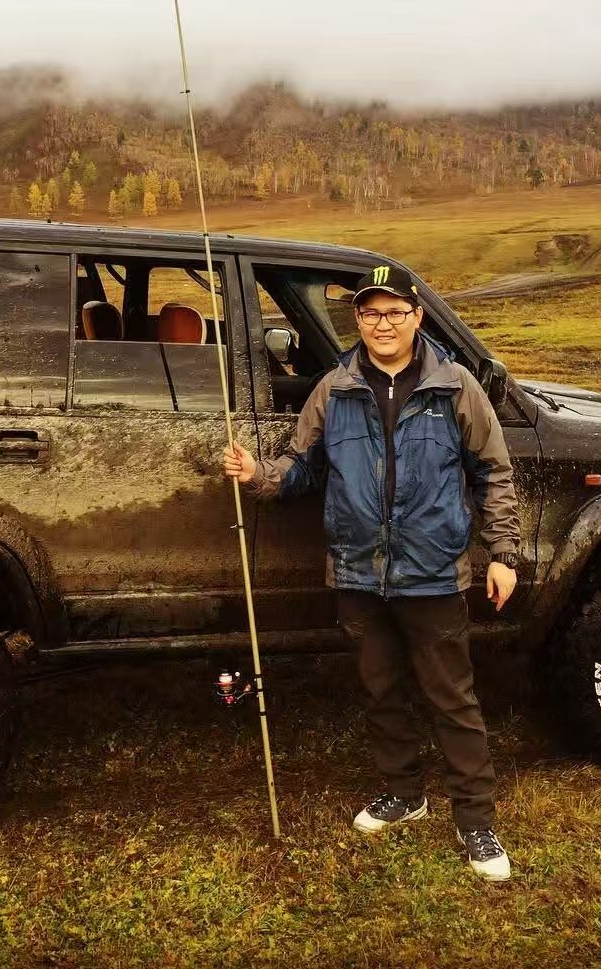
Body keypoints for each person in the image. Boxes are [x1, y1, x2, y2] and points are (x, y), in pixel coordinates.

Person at [223, 264, 520, 882]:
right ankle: (405, 792)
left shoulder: (456, 386)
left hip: (433, 573)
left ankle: (477, 824)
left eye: (394, 312)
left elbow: (494, 473)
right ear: (356, 321)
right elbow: (303, 467)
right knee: (381, 690)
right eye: (370, 314)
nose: (382, 324)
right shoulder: (334, 389)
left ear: (417, 317)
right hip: (358, 572)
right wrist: (260, 476)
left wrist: (502, 554)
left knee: (453, 700)